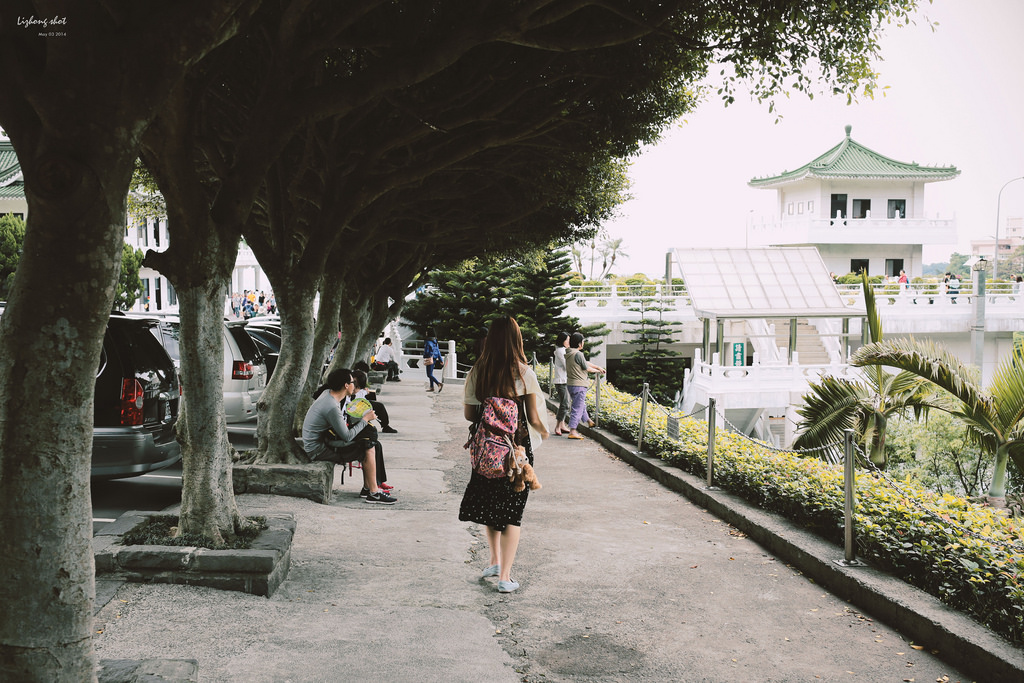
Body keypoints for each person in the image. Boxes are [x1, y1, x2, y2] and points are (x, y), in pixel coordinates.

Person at [459, 316, 549, 593]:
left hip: (486, 450)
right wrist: (544, 432)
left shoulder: (478, 370)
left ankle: (495, 562)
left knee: (490, 507)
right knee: (512, 513)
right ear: (516, 339)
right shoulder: (524, 373)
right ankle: (505, 578)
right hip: (516, 451)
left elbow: (469, 414)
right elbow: (533, 418)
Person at [302, 368, 397, 504]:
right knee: (368, 445)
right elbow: (347, 436)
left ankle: (368, 488)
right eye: (353, 382)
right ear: (346, 385)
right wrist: (365, 419)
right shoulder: (331, 406)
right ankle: (374, 493)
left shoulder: (328, 394)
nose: (355, 385)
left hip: (326, 440)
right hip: (319, 449)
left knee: (374, 443)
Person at [564, 332, 605, 440]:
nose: (583, 343)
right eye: (583, 341)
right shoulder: (578, 354)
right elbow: (587, 368)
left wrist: (597, 367)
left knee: (581, 404)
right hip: (579, 385)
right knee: (577, 408)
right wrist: (598, 371)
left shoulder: (569, 353)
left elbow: (585, 362)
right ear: (579, 343)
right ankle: (573, 431)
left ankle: (589, 421)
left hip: (571, 384)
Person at [352, 369, 398, 434]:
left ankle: (385, 426)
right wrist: (365, 392)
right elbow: (356, 396)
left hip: (362, 402)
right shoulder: (351, 382)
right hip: (355, 404)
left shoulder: (359, 383)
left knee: (379, 406)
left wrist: (364, 391)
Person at [551, 332, 571, 435]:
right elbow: (567, 365)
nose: (569, 342)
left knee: (565, 403)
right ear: (562, 341)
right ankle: (557, 427)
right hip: (561, 381)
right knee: (565, 404)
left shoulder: (562, 350)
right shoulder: (560, 351)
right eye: (567, 340)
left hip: (564, 380)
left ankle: (562, 425)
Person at [423, 328, 443, 393]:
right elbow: (438, 351)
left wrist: (425, 356)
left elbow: (426, 351)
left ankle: (438, 384)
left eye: (427, 332)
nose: (426, 333)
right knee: (431, 373)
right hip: (434, 359)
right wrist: (441, 360)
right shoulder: (435, 341)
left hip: (429, 358)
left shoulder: (428, 342)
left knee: (429, 374)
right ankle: (431, 387)